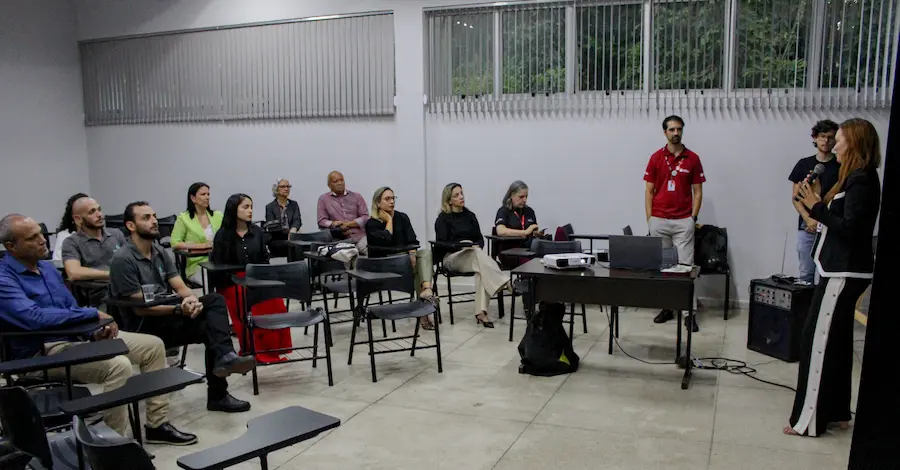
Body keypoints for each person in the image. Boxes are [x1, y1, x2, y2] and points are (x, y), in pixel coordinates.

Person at [0, 214, 196, 445]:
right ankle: (112, 446)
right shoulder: (4, 277)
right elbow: (33, 317)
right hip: (41, 352)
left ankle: (156, 424)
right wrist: (91, 315)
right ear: (11, 246)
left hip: (77, 339)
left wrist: (93, 330)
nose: (43, 240)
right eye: (33, 238)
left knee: (152, 346)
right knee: (117, 367)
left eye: (41, 234)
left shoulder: (47, 269)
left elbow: (69, 308)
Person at [109, 202, 255, 413]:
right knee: (211, 329)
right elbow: (140, 308)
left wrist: (191, 300)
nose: (154, 221)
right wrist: (179, 309)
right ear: (131, 226)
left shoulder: (158, 251)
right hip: (143, 326)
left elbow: (179, 285)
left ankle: (222, 373)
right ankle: (221, 380)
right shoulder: (123, 258)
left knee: (214, 302)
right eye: (146, 218)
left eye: (154, 216)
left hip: (168, 316)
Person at [785, 118, 881, 438]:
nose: (833, 145)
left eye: (838, 140)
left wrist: (818, 207)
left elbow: (851, 229)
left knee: (816, 343)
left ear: (853, 143)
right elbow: (836, 220)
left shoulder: (862, 181)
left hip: (843, 273)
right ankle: (838, 411)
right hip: (837, 270)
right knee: (837, 344)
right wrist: (813, 203)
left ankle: (809, 420)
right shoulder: (852, 178)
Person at [211, 194, 293, 363]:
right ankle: (254, 350)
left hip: (256, 277)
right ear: (234, 210)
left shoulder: (257, 232)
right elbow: (219, 266)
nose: (250, 211)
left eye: (251, 207)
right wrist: (236, 280)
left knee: (275, 302)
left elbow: (264, 259)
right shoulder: (223, 235)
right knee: (246, 304)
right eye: (245, 207)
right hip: (233, 281)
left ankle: (275, 349)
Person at [644, 115, 705, 332]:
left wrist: (693, 218)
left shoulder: (693, 159)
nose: (675, 133)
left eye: (679, 129)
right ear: (665, 133)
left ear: (682, 131)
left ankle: (689, 313)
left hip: (683, 221)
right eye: (671, 129)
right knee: (664, 268)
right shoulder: (655, 158)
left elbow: (698, 192)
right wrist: (650, 219)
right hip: (659, 220)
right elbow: (649, 190)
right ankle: (667, 308)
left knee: (687, 268)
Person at [434, 183, 509, 328]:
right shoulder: (443, 219)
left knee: (481, 267)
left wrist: (475, 245)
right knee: (478, 256)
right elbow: (441, 244)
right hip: (452, 258)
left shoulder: (470, 216)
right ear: (449, 200)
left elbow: (480, 239)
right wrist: (460, 245)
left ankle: (481, 312)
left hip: (473, 256)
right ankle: (504, 282)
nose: (461, 197)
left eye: (461, 193)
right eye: (456, 195)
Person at [365, 187, 435, 330]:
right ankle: (422, 312)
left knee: (425, 254)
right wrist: (389, 221)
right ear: (378, 203)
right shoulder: (371, 223)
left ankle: (426, 290)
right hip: (385, 264)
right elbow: (384, 240)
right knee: (417, 269)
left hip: (406, 259)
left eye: (393, 198)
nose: (392, 202)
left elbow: (413, 240)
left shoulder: (402, 217)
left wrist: (412, 253)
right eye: (387, 199)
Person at [789, 120, 841, 285]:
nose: (826, 141)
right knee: (805, 274)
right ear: (815, 138)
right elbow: (796, 197)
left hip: (829, 224)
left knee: (825, 275)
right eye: (822, 137)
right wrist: (807, 218)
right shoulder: (804, 164)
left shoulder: (841, 166)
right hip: (807, 227)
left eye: (830, 137)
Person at [61, 197, 128, 306]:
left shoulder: (116, 234)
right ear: (78, 219)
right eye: (92, 212)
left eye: (99, 209)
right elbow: (74, 272)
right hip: (101, 295)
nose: (99, 215)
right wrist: (112, 274)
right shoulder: (71, 242)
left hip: (126, 288)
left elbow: (130, 261)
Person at [170, 182, 223, 284]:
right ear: (193, 198)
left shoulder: (218, 215)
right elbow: (175, 243)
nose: (207, 197)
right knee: (210, 280)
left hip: (219, 262)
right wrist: (201, 246)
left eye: (208, 194)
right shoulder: (183, 218)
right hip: (198, 265)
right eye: (203, 194)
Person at [317, 171, 369, 254]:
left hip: (359, 237)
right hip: (339, 240)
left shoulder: (357, 196)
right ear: (329, 185)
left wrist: (347, 224)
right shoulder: (323, 199)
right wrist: (334, 224)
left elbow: (365, 217)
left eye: (341, 180)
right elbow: (321, 221)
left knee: (372, 252)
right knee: (345, 258)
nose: (340, 183)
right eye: (336, 181)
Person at [265, 179, 302, 258]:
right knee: (292, 246)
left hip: (292, 237)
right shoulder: (270, 207)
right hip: (277, 239)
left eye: (288, 186)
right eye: (283, 186)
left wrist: (294, 229)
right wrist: (288, 232)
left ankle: (297, 268)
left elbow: (297, 220)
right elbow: (273, 226)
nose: (286, 189)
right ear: (276, 189)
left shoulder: (294, 204)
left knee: (298, 245)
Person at [52, 192, 88, 261]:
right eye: (90, 212)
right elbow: (58, 263)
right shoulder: (64, 236)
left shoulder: (103, 235)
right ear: (76, 218)